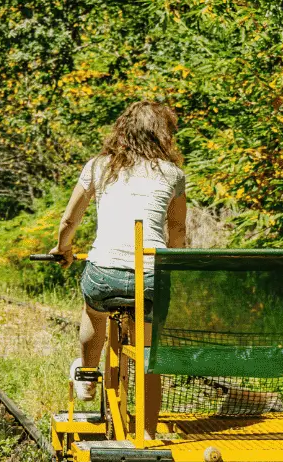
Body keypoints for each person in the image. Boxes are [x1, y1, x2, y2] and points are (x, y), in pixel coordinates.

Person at [48, 101, 187, 440]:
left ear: (122, 132)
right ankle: (150, 430)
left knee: (94, 313)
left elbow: (69, 219)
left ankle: (86, 375)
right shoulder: (173, 175)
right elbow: (178, 230)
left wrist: (62, 248)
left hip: (105, 272)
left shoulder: (98, 167)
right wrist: (173, 271)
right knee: (149, 350)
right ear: (163, 136)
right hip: (152, 275)